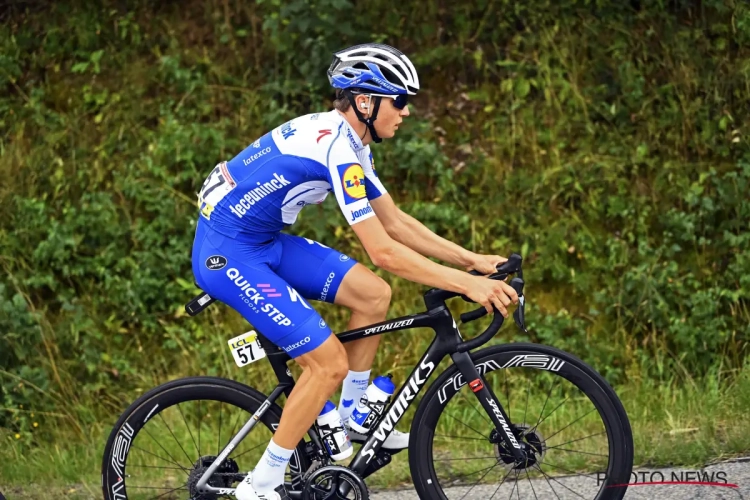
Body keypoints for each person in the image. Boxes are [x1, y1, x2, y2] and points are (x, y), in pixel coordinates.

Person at [191, 43, 519, 500]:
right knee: (327, 364)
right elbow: (383, 249)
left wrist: (471, 261)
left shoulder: (350, 142)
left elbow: (396, 222)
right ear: (365, 103)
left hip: (260, 241)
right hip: (228, 252)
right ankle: (260, 486)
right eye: (399, 101)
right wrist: (468, 285)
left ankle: (350, 417)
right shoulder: (336, 147)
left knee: (371, 294)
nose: (405, 112)